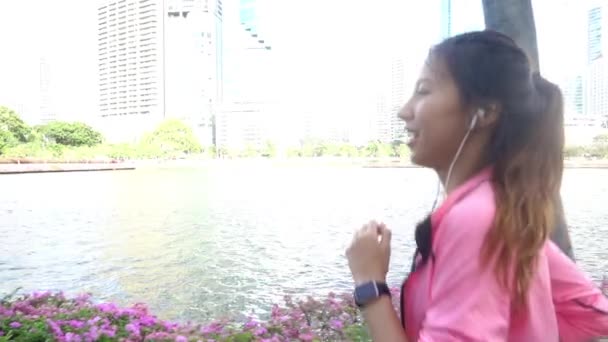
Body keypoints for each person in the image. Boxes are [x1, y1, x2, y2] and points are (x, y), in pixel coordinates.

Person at [346, 30, 608, 341]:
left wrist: (369, 283)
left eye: (424, 91)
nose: (405, 111)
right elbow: (592, 314)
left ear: (483, 112)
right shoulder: (504, 216)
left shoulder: (476, 219)